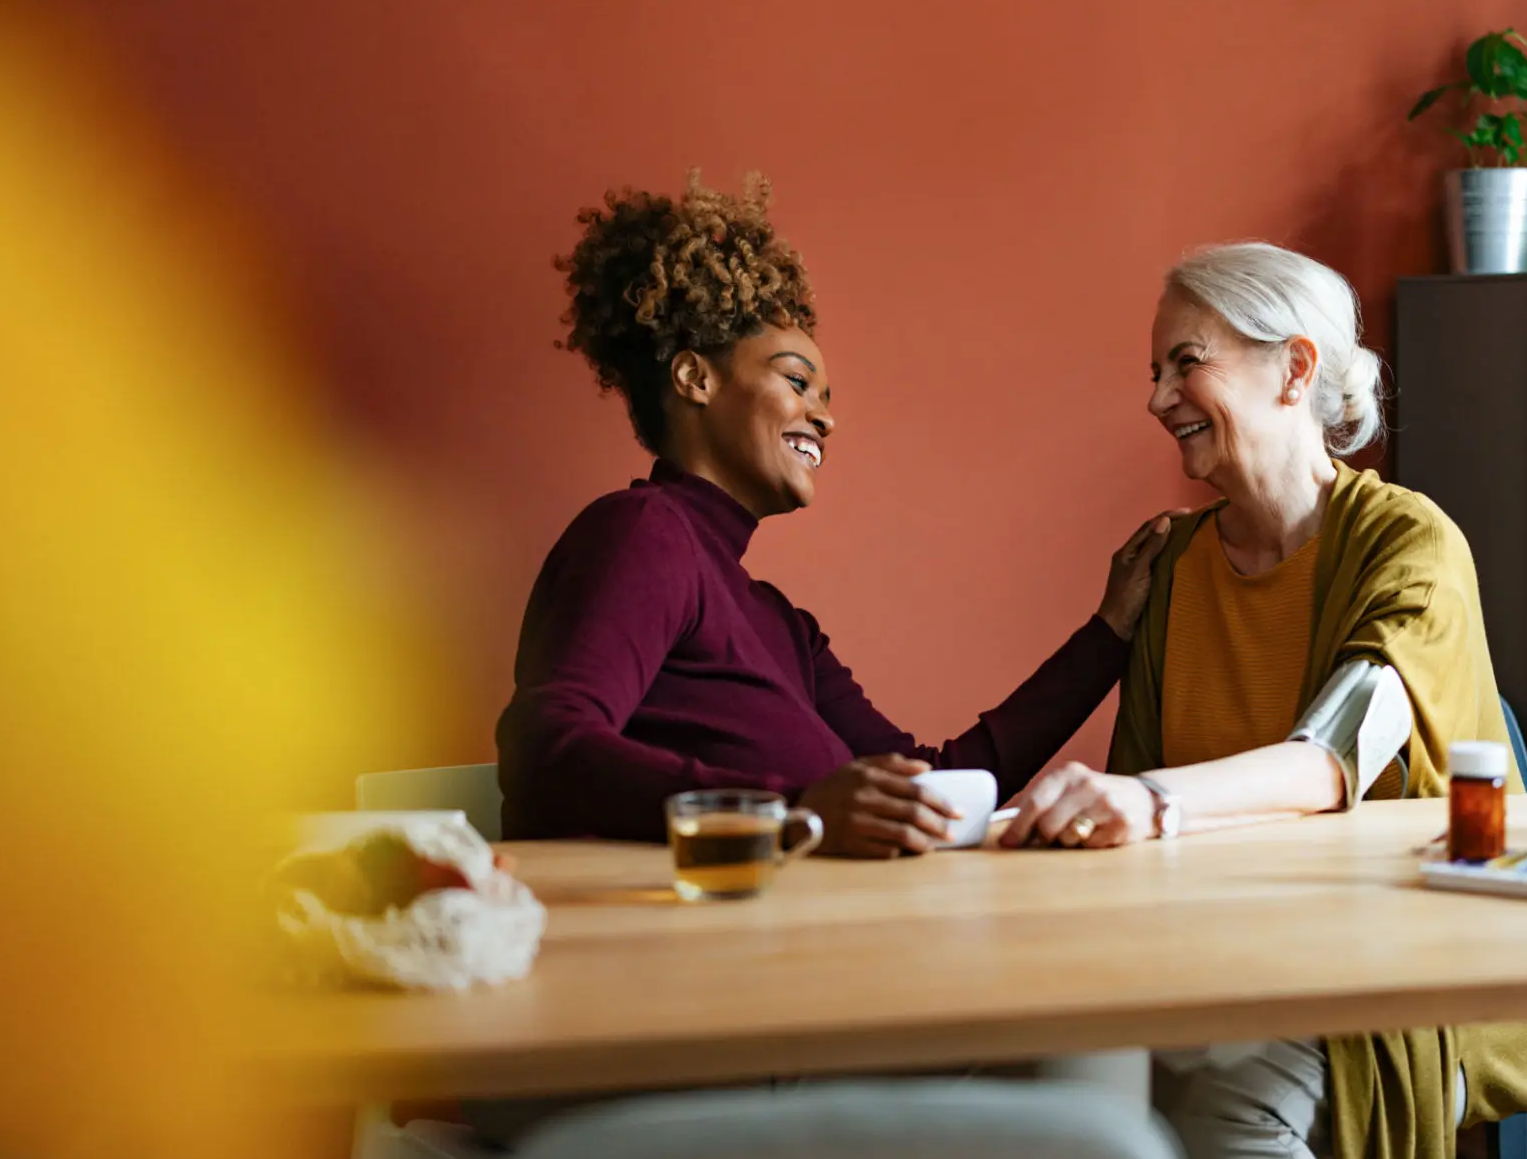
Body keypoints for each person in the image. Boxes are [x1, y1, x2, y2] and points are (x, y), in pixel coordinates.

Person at [1000, 243, 1527, 1159]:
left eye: (1187, 361)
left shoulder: (1410, 542)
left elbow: (1334, 754)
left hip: (1413, 959)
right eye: (1154, 373)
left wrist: (1146, 804)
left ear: (1296, 368)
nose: (1157, 398)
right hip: (1228, 950)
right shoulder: (1172, 568)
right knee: (1036, 1075)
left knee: (1220, 1106)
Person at [497, 171, 1175, 854]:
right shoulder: (644, 534)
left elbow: (933, 785)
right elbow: (547, 750)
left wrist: (1110, 633)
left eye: (824, 395)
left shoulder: (784, 628)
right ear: (696, 378)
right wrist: (797, 816)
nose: (825, 417)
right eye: (797, 382)